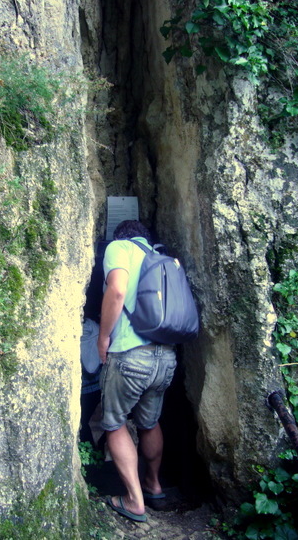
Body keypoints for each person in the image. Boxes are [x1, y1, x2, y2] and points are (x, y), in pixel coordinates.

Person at [97, 220, 177, 522]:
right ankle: (154, 486)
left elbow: (117, 291)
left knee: (115, 424)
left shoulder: (119, 248)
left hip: (130, 356)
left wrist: (104, 336)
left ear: (121, 237)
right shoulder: (163, 259)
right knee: (150, 422)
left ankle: (133, 501)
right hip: (165, 356)